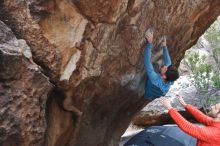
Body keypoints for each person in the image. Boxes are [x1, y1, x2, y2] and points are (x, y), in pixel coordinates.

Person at [144, 28, 179, 101]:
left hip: (149, 94)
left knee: (151, 71)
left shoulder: (155, 79)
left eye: (165, 68)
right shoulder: (170, 78)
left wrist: (150, 43)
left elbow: (147, 62)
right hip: (160, 92)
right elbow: (168, 62)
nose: (164, 66)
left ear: (164, 76)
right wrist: (164, 46)